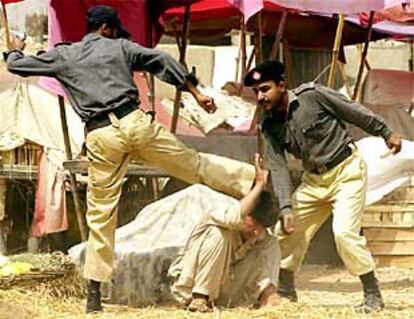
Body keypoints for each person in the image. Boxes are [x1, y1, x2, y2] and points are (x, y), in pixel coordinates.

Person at [4, 5, 255, 313]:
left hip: (101, 134)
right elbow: (162, 59)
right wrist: (196, 92)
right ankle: (253, 181)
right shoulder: (120, 46)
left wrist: (13, 52)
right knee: (195, 165)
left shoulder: (65, 54)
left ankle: (94, 294)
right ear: (108, 29)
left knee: (101, 214)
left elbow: (21, 66)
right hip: (135, 122)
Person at [243, 60, 402, 313]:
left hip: (346, 171)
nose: (261, 97)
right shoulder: (269, 126)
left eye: (265, 88)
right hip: (314, 182)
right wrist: (285, 208)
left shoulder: (313, 96)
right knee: (284, 231)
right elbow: (279, 168)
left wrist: (385, 132)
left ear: (282, 85)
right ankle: (286, 290)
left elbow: (353, 111)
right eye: (257, 92)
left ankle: (372, 293)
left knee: (344, 234)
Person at [169, 154, 280, 312]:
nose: (255, 231)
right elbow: (231, 218)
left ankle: (267, 297)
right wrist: (258, 186)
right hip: (189, 288)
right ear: (246, 212)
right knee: (219, 233)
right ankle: (200, 297)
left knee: (271, 242)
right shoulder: (219, 214)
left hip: (225, 292)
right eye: (253, 223)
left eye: (260, 227)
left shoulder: (258, 234)